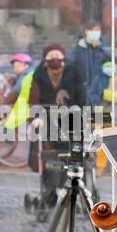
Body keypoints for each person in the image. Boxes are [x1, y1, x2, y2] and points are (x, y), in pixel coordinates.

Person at [27, 43, 88, 211]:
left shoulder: (73, 73)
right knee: (51, 160)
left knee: (74, 157)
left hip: (72, 122)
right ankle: (50, 196)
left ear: (63, 57)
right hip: (48, 122)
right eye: (50, 56)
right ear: (46, 59)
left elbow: (83, 98)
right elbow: (33, 101)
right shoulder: (38, 75)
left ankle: (75, 196)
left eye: (57, 56)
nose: (54, 59)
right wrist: (35, 118)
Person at [66, 12, 113, 106]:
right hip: (81, 95)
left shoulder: (103, 50)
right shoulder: (77, 50)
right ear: (86, 31)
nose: (96, 33)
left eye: (98, 30)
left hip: (100, 95)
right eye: (93, 30)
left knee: (99, 119)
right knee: (82, 119)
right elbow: (70, 69)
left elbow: (110, 68)